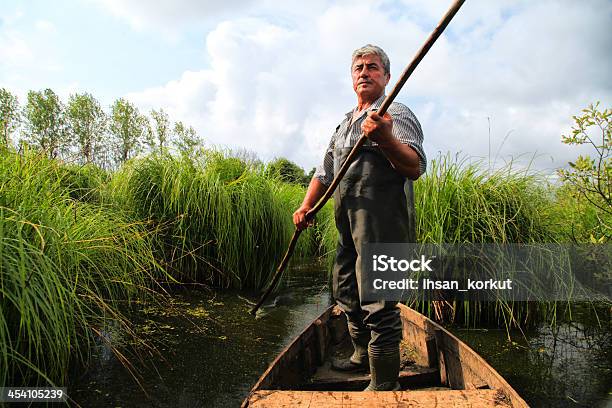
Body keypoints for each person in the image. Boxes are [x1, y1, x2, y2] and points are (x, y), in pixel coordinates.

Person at [293, 44, 426, 391]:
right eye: (359, 68)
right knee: (345, 289)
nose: (364, 72)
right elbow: (324, 172)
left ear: (386, 76)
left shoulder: (396, 111)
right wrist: (306, 205)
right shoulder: (343, 125)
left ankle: (384, 384)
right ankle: (360, 355)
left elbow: (414, 166)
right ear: (352, 78)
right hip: (345, 223)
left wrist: (384, 139)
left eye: (372, 67)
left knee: (379, 300)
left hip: (381, 224)